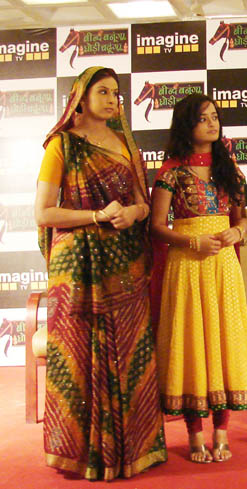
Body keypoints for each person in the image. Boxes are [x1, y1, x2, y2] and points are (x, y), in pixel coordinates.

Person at [34, 66, 167, 480]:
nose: (112, 100)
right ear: (81, 97)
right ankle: (81, 452)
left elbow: (145, 204)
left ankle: (134, 450)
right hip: (78, 268)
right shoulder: (62, 145)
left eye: (115, 93)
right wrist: (95, 215)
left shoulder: (126, 143)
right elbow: (44, 213)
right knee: (78, 357)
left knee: (131, 354)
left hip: (124, 264)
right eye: (103, 92)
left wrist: (133, 213)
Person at [151, 93, 247, 464]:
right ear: (187, 125)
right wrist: (190, 240)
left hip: (223, 265)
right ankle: (195, 435)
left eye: (215, 116)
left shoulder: (230, 170)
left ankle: (222, 433)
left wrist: (237, 232)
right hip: (187, 264)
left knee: (223, 343)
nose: (212, 123)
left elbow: (241, 219)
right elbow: (156, 227)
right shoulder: (171, 173)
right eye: (203, 118)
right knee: (192, 345)